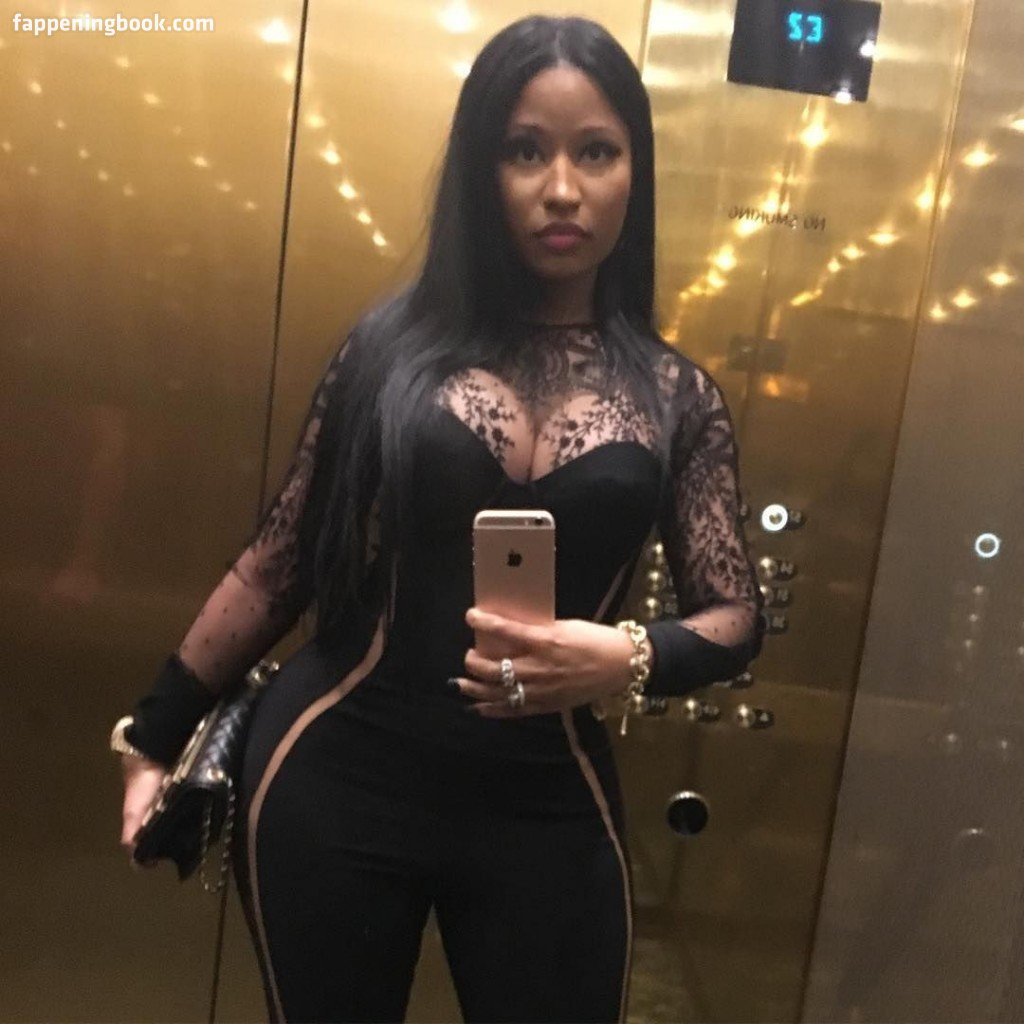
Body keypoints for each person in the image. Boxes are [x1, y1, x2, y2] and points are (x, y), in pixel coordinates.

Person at [113, 14, 765, 1023]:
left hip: (547, 809)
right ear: (480, 170)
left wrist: (626, 656)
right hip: (336, 779)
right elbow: (277, 561)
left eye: (596, 151)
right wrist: (152, 737)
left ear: (635, 172)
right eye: (525, 150)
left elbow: (735, 614)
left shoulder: (679, 398)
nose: (561, 188)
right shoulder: (388, 351)